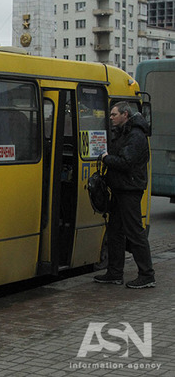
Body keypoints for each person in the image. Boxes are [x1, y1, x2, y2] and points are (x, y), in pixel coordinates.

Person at [93, 101, 155, 289]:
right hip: (121, 189)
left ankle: (147, 275)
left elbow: (126, 162)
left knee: (135, 233)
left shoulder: (136, 135)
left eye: (114, 115)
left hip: (130, 190)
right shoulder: (126, 132)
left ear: (125, 115)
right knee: (115, 232)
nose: (111, 118)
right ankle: (114, 273)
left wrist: (105, 158)